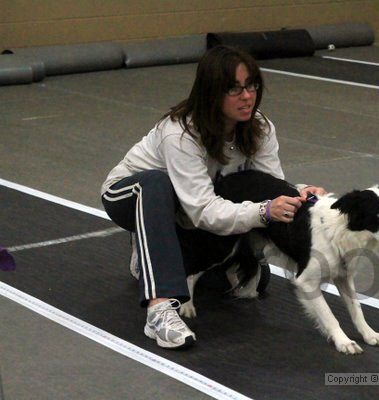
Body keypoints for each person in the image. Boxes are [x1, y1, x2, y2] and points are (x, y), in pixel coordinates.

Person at [100, 45, 326, 349]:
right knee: (157, 184)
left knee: (251, 281)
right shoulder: (180, 133)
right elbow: (203, 211)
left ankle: (164, 252)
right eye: (234, 89)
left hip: (192, 206)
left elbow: (266, 184)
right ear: (211, 92)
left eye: (252, 85)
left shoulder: (259, 127)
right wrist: (262, 212)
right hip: (131, 195)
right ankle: (159, 309)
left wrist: (299, 194)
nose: (247, 96)